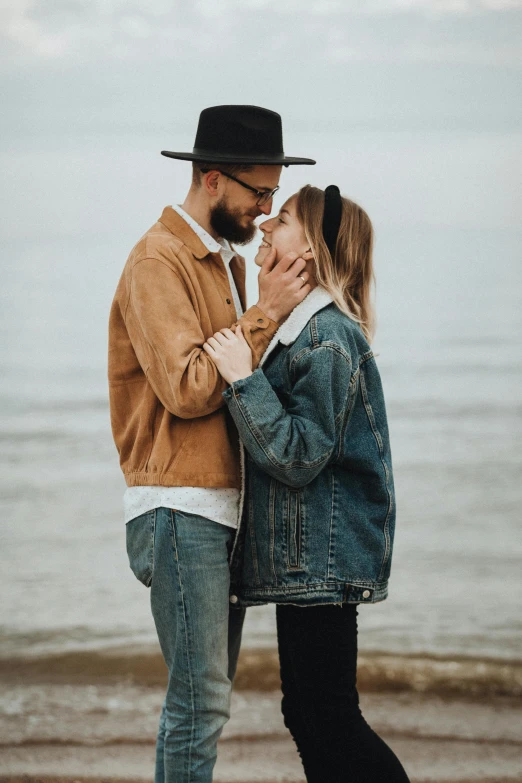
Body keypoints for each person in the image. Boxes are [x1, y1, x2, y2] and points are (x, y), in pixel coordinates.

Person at [107, 105, 315, 783]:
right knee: (199, 705)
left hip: (219, 510)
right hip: (179, 506)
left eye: (273, 193)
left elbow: (237, 374)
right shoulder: (157, 260)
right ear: (212, 179)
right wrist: (271, 310)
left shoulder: (220, 263)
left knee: (208, 704)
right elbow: (192, 386)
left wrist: (263, 308)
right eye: (259, 190)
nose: (266, 207)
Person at [203, 184, 411, 782]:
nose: (266, 225)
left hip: (320, 556)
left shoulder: (326, 337)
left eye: (285, 218)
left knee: (327, 714)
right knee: (312, 714)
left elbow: (298, 457)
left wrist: (243, 378)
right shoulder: (303, 330)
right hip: (310, 559)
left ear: (313, 250)